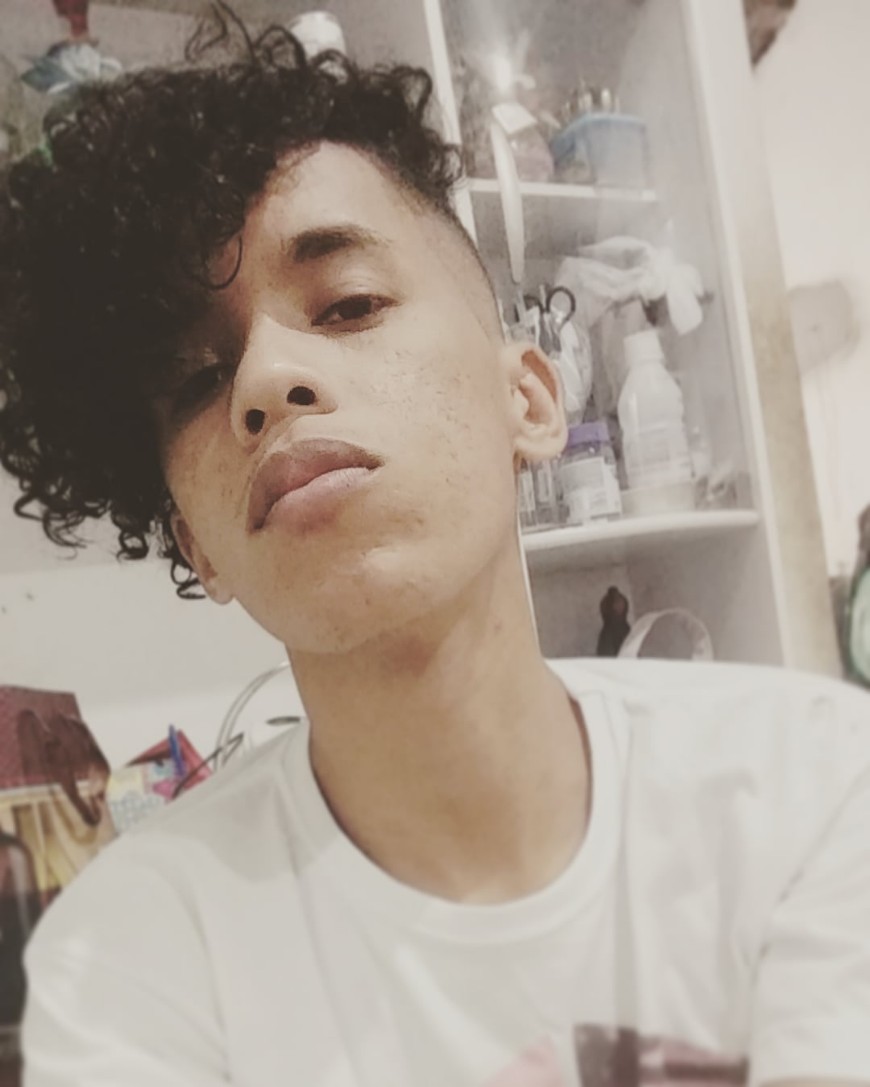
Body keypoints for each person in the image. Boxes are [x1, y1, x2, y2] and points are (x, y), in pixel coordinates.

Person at [1, 17, 869, 1087]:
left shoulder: (813, 787)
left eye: (350, 303)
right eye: (198, 378)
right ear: (197, 545)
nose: (264, 380)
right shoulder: (129, 963)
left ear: (529, 401)